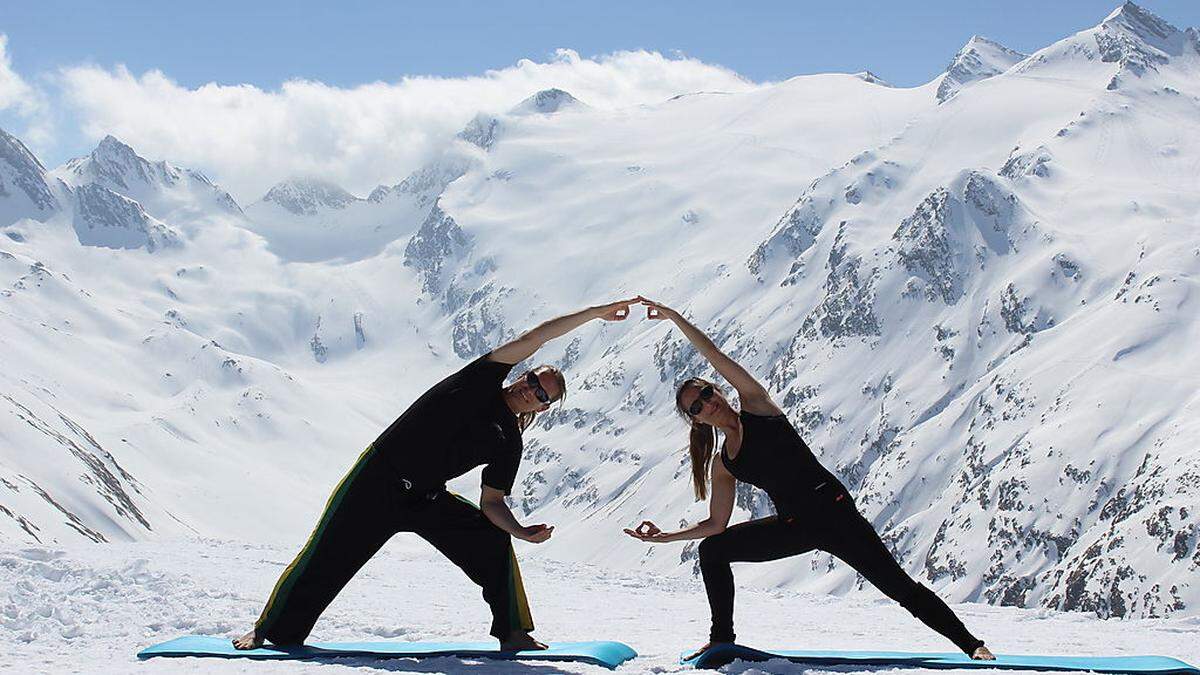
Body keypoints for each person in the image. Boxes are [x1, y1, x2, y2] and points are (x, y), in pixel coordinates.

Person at [234, 298, 636, 651]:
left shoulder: (509, 442)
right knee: (326, 556)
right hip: (377, 478)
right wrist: (596, 313)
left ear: (544, 408)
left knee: (491, 542)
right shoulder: (481, 378)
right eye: (533, 380)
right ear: (521, 376)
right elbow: (537, 337)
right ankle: (270, 632)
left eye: (542, 394)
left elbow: (492, 503)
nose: (532, 390)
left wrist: (519, 531)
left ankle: (513, 632)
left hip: (425, 497)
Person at [624, 296, 994, 661]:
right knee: (712, 551)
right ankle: (722, 639)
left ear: (718, 389)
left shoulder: (757, 406)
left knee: (899, 587)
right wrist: (668, 536)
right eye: (697, 406)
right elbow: (716, 524)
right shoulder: (723, 464)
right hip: (795, 526)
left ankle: (971, 645)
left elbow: (717, 357)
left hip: (836, 515)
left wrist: (676, 318)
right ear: (697, 420)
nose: (707, 403)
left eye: (707, 392)